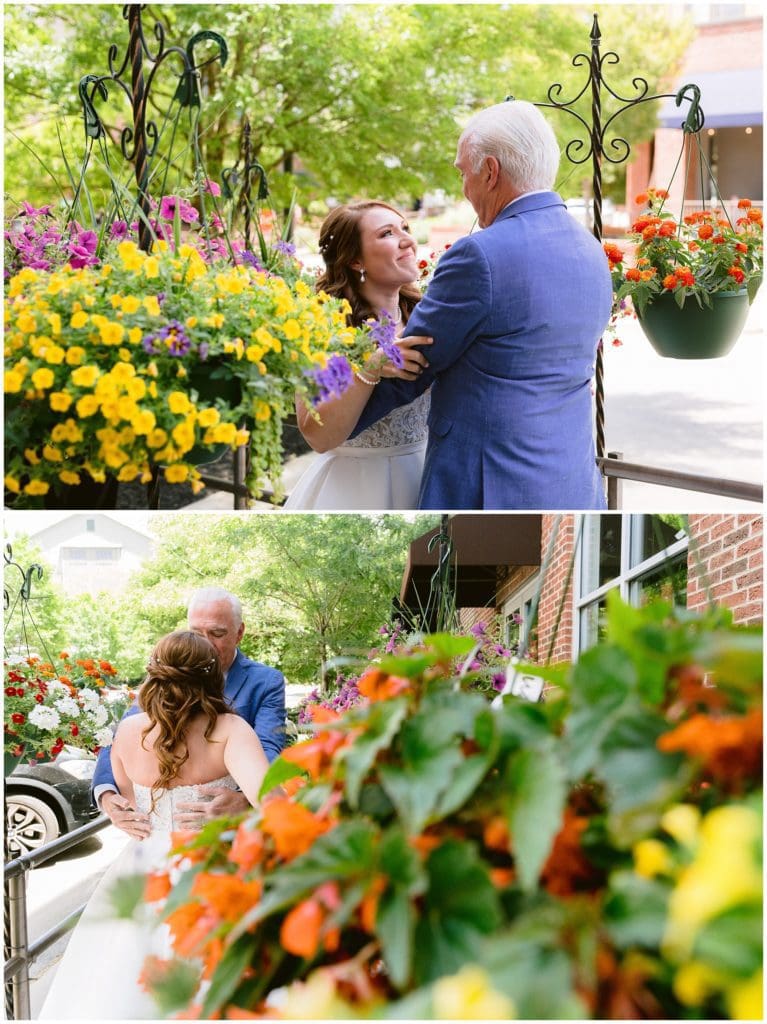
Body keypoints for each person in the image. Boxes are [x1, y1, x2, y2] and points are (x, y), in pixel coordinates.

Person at [347, 100, 614, 510]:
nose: (463, 188)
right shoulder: (592, 251)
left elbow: (410, 366)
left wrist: (329, 406)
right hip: (572, 481)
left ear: (489, 172)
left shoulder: (479, 256)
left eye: (463, 173)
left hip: (488, 487)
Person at [39, 630, 270, 1020]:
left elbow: (128, 796)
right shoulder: (230, 730)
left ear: (154, 673)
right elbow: (271, 800)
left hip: (144, 864)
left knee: (119, 974)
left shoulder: (128, 732)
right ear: (213, 675)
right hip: (213, 864)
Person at [93, 586, 285, 835]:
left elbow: (268, 746)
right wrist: (106, 794)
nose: (205, 642)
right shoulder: (150, 697)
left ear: (239, 633)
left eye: (217, 633)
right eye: (197, 632)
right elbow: (114, 744)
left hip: (227, 831)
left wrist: (246, 799)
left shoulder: (266, 682)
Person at [284, 200, 433, 510]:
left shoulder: (425, 314)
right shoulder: (324, 326)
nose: (407, 239)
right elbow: (318, 437)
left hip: (426, 478)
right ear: (355, 260)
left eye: (405, 228)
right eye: (387, 233)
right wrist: (371, 368)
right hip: (354, 488)